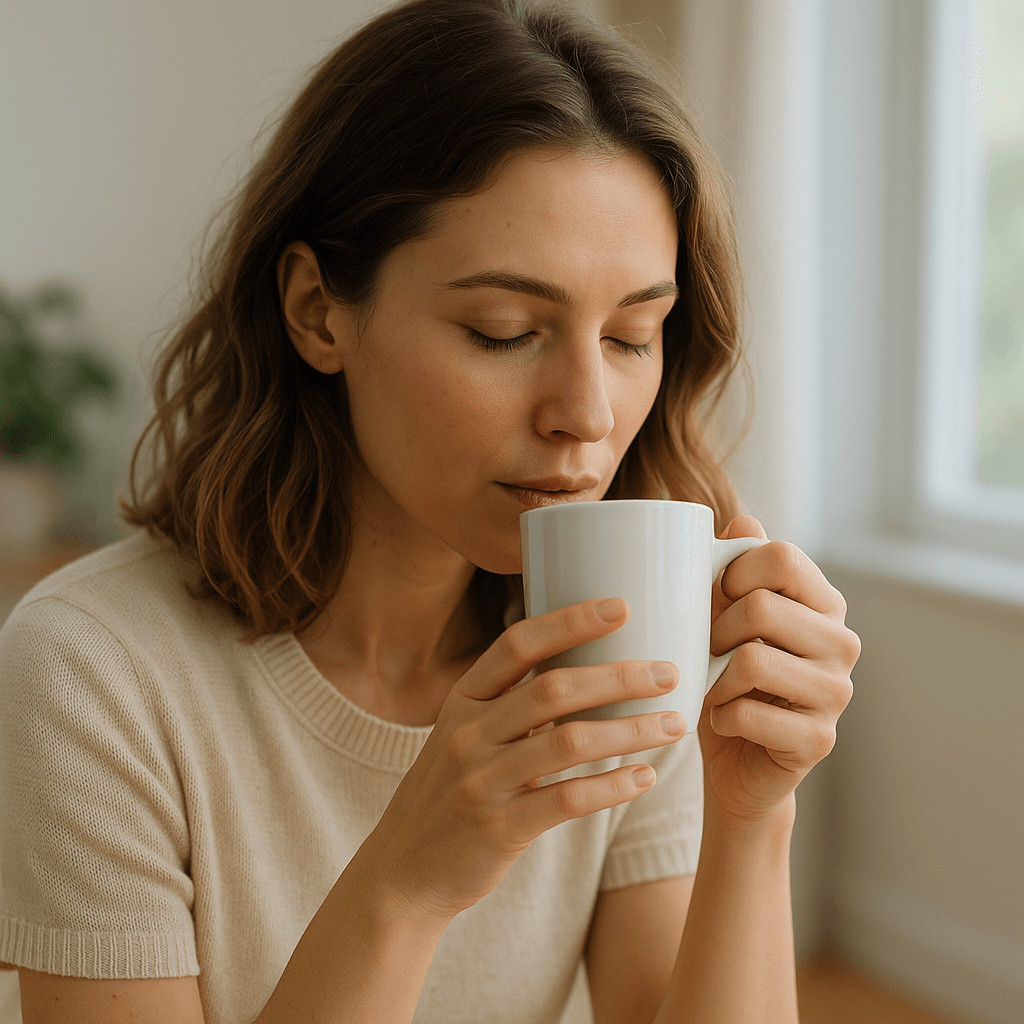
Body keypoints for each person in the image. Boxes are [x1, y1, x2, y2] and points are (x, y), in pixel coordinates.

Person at [0, 1, 859, 1021]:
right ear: (318, 310)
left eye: (633, 335)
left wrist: (753, 815)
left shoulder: (628, 639)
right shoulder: (95, 671)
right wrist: (409, 881)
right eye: (502, 331)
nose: (585, 414)